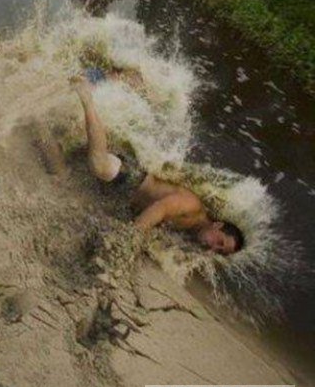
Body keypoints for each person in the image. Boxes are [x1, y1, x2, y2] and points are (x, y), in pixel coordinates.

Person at [67, 75, 245, 255]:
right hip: (133, 179)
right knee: (100, 165)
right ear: (218, 225)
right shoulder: (192, 207)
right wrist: (131, 237)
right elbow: (160, 209)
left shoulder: (190, 232)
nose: (213, 247)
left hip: (121, 196)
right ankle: (87, 97)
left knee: (62, 163)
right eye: (220, 241)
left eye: (219, 251)